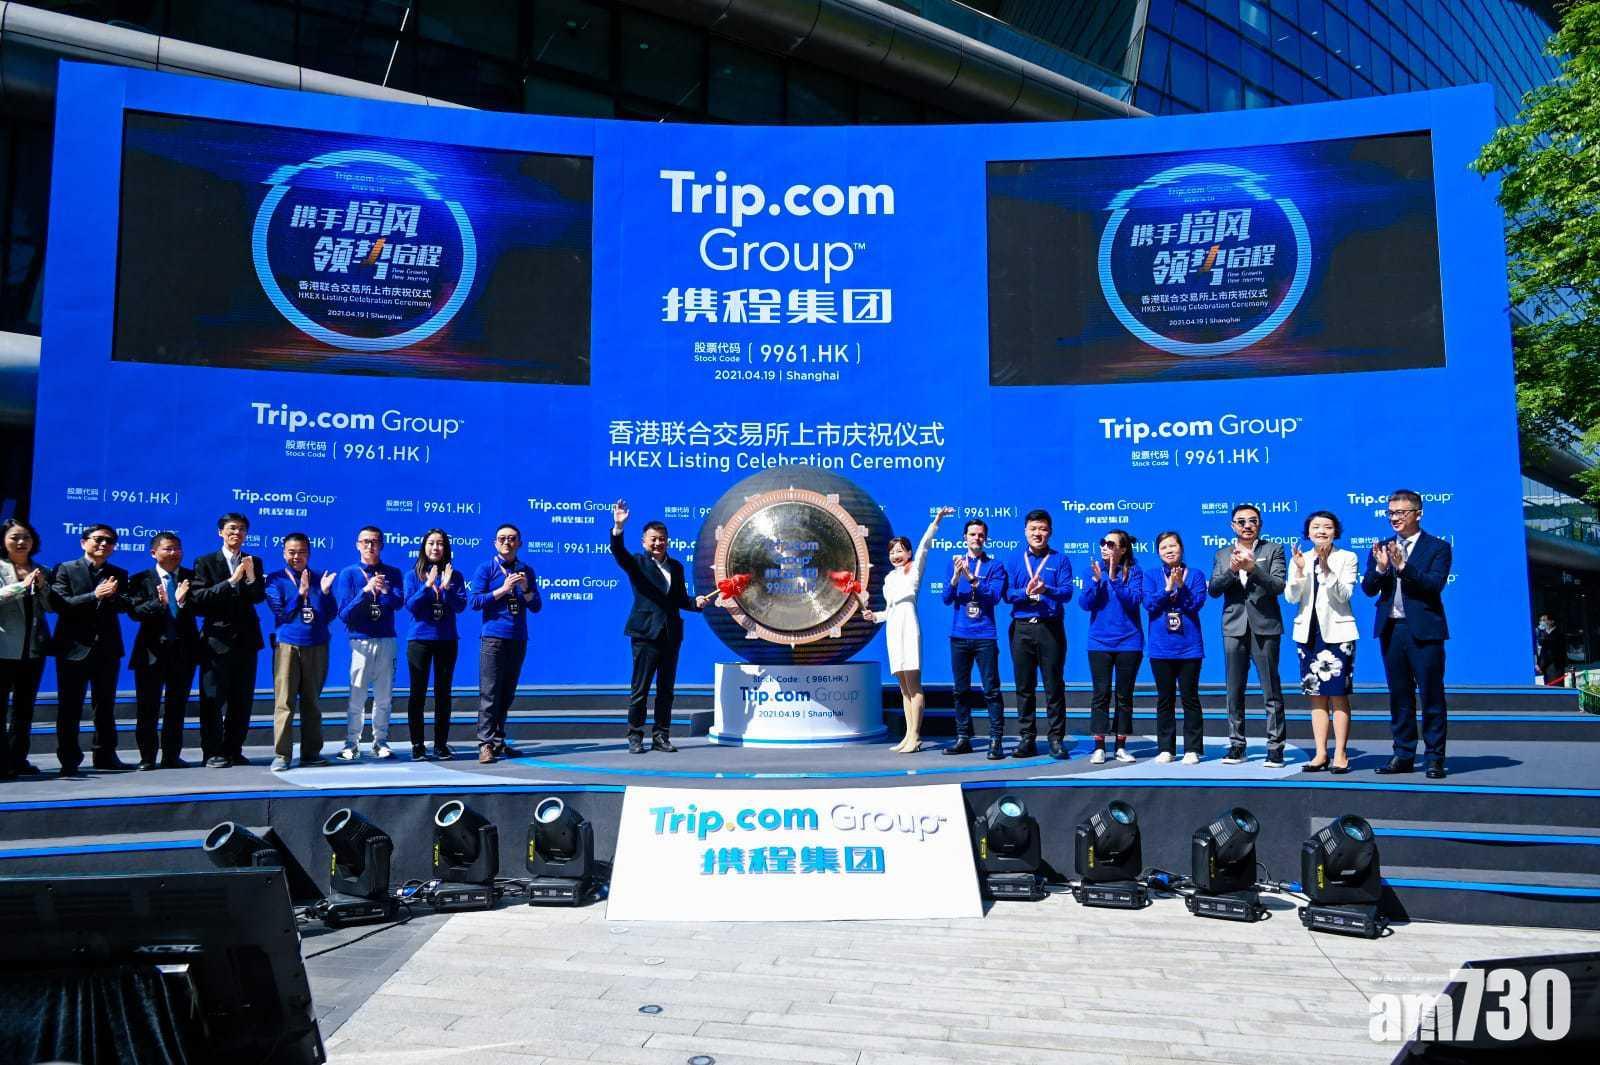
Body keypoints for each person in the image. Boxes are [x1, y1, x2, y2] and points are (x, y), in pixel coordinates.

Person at [609, 501, 714, 755]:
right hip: (646, 633)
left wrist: (696, 602)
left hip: (671, 635)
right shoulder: (637, 563)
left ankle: (661, 736)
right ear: (644, 542)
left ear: (668, 541)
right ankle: (635, 737)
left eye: (662, 539)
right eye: (653, 539)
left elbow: (679, 599)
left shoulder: (676, 567)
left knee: (666, 691)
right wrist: (618, 527)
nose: (658, 543)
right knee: (640, 690)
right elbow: (618, 552)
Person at [1361, 489, 1452, 779]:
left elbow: (1434, 585)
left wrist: (1403, 567)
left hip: (1424, 631)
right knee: (1399, 695)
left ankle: (1435, 757)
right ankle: (1403, 754)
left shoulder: (1438, 547)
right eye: (1391, 513)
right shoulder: (1382, 546)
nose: (1394, 518)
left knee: (1431, 695)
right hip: (1391, 629)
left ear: (1418, 513)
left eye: (1401, 512)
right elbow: (1368, 589)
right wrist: (1380, 568)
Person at [862, 507, 954, 753]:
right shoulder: (889, 579)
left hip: (909, 624)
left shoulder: (914, 568)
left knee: (914, 685)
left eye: (900, 550)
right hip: (893, 627)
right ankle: (907, 735)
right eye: (892, 552)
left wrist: (936, 520)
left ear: (909, 553)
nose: (896, 555)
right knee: (903, 688)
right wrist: (874, 616)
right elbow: (889, 610)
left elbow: (925, 545)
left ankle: (916, 735)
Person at [1207, 503, 1288, 768]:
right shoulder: (1222, 554)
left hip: (1265, 626)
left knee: (1271, 690)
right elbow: (1214, 589)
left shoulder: (1273, 549)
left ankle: (1275, 748)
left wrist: (1253, 568)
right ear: (1233, 526)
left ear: (1260, 524)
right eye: (1241, 521)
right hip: (1234, 627)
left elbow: (1278, 585)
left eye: (1252, 520)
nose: (1247, 525)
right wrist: (1232, 570)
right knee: (1234, 690)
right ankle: (1236, 745)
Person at [50, 523, 131, 775]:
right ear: (84, 542)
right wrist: (95, 595)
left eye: (109, 541)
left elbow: (126, 606)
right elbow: (61, 604)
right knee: (70, 706)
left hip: (107, 648)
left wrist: (114, 596)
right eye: (98, 539)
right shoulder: (65, 569)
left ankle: (105, 754)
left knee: (105, 705)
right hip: (73, 648)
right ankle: (69, 759)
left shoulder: (118, 573)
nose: (104, 544)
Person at [188, 513, 267, 768]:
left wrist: (251, 576)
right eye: (232, 528)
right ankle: (212, 751)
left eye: (242, 529)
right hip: (216, 641)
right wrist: (232, 581)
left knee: (241, 700)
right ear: (220, 532)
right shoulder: (205, 562)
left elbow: (257, 597)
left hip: (247, 640)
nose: (237, 533)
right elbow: (200, 598)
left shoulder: (253, 561)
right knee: (213, 699)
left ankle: (234, 749)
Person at [1285, 512, 1360, 775]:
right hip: (1308, 635)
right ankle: (1320, 753)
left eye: (1327, 527)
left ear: (1335, 532)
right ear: (1308, 532)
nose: (1321, 531)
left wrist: (1327, 569)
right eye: (1316, 527)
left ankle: (1340, 753)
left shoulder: (1347, 557)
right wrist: (1299, 571)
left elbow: (1344, 596)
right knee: (1316, 698)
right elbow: (1292, 597)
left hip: (1338, 635)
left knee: (1338, 695)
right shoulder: (1300, 558)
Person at [1004, 509, 1075, 759]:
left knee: (1053, 686)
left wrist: (1047, 590)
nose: (1038, 533)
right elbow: (1007, 595)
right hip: (1022, 628)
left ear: (1050, 532)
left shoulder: (1060, 560)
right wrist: (1026, 593)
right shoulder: (1014, 560)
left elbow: (1067, 592)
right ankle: (1027, 738)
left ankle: (1056, 739)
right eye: (1033, 529)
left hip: (1050, 628)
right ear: (1025, 531)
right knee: (1024, 686)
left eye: (1043, 529)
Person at [263, 533, 338, 772]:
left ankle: (311, 753)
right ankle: (282, 754)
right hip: (288, 645)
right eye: (292, 552)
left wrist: (325, 594)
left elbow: (330, 615)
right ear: (284, 553)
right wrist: (301, 594)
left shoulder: (319, 577)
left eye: (302, 552)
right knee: (284, 702)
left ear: (309, 553)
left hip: (317, 645)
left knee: (312, 702)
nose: (297, 557)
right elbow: (282, 613)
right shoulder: (275, 579)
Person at [126, 532, 199, 771]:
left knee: (176, 707)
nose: (174, 553)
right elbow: (135, 612)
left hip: (183, 652)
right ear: (153, 553)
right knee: (147, 707)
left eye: (177, 548)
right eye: (168, 548)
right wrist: (162, 603)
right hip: (151, 653)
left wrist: (183, 601)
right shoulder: (140, 579)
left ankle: (171, 756)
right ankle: (147, 757)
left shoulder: (191, 577)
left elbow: (203, 605)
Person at [942, 517, 1012, 759]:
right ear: (965, 537)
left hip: (984, 636)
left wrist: (971, 577)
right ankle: (963, 738)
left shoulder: (995, 566)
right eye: (972, 534)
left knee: (991, 690)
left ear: (986, 538)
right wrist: (955, 577)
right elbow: (947, 598)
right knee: (960, 690)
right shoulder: (954, 563)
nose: (977, 538)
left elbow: (994, 597)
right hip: (959, 636)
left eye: (981, 535)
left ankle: (996, 740)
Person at [335, 526, 405, 761]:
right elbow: (345, 614)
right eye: (365, 541)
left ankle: (380, 741)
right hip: (360, 641)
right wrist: (366, 590)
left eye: (374, 541)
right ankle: (351, 743)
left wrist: (384, 590)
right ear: (357, 545)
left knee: (384, 697)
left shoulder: (392, 573)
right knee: (357, 696)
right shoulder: (349, 574)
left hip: (386, 639)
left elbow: (398, 603)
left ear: (381, 545)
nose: (370, 546)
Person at [1143, 531, 1206, 765]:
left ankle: (1192, 748)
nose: (1169, 550)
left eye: (1173, 546)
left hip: (1189, 648)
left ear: (1181, 548)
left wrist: (1182, 586)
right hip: (1161, 648)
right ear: (1158, 552)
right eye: (1164, 547)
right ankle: (1166, 748)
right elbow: (1150, 605)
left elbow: (1195, 605)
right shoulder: (1151, 576)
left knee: (1190, 698)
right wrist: (1168, 588)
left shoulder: (1196, 575)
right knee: (1165, 699)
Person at [1080, 528, 1143, 764]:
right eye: (1103, 543)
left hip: (1129, 642)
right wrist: (1097, 581)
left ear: (1123, 549)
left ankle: (1120, 746)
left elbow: (1134, 601)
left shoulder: (1134, 571)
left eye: (1111, 544)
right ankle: (1099, 746)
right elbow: (1085, 604)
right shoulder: (1092, 570)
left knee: (1124, 695)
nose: (1105, 547)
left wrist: (1114, 577)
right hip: (1099, 642)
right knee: (1101, 693)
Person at [406, 529, 468, 760]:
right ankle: (417, 745)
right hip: (419, 640)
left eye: (440, 543)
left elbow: (460, 606)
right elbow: (411, 606)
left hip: (447, 640)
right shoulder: (413, 575)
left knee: (443, 693)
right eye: (431, 543)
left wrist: (447, 587)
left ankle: (440, 744)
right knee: (418, 693)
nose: (435, 548)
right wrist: (428, 585)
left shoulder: (455, 575)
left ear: (446, 548)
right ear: (424, 547)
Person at [0, 518, 52, 778]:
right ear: (3, 541)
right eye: (15, 537)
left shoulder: (41, 569)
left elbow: (51, 607)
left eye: (26, 538)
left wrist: (42, 588)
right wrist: (22, 585)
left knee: (24, 708)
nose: (21, 542)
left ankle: (18, 758)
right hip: (4, 648)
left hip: (33, 649)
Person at [1535, 613, 1568, 686]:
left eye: (1544, 620)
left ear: (1552, 621)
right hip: (1547, 669)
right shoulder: (1544, 634)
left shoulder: (1557, 634)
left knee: (1555, 688)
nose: (1542, 622)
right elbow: (1542, 651)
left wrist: (1540, 665)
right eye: (1541, 620)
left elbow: (1550, 653)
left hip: (1554, 669)